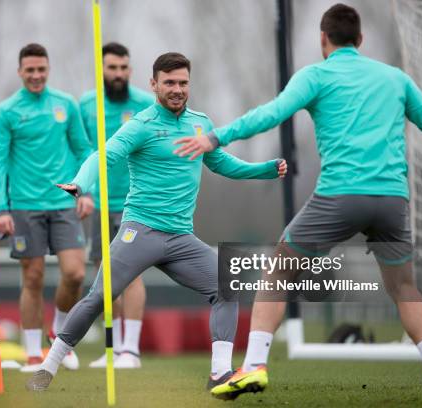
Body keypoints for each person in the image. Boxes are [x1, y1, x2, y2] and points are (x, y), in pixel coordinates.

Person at [174, 3, 422, 403]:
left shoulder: (316, 75)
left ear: (323, 40)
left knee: (279, 271)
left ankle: (254, 366)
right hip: (392, 200)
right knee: (404, 286)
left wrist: (215, 138)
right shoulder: (396, 79)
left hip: (339, 197)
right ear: (360, 40)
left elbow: (272, 113)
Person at [26, 52, 287, 392]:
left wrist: (263, 169)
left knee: (226, 286)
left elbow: (221, 164)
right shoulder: (141, 125)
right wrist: (82, 184)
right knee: (99, 297)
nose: (177, 89)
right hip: (140, 231)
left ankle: (220, 374)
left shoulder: (200, 123)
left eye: (182, 83)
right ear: (154, 84)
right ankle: (48, 365)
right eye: (169, 83)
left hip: (181, 238)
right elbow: (105, 155)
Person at [0, 43, 94, 372]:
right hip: (24, 206)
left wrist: (86, 191)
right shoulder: (7, 111)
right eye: (30, 70)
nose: (36, 75)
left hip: (63, 204)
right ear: (20, 72)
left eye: (41, 69)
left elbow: (83, 149)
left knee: (75, 274)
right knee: (32, 277)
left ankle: (57, 334)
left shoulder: (66, 105)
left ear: (48, 69)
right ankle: (33, 354)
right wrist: (1, 208)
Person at [79, 42, 153, 369]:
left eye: (124, 68)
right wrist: (83, 190)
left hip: (135, 202)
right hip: (98, 202)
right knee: (105, 276)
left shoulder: (145, 104)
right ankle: (113, 346)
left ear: (130, 70)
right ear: (102, 70)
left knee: (132, 272)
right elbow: (82, 150)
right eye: (112, 68)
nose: (118, 74)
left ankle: (130, 350)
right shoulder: (86, 105)